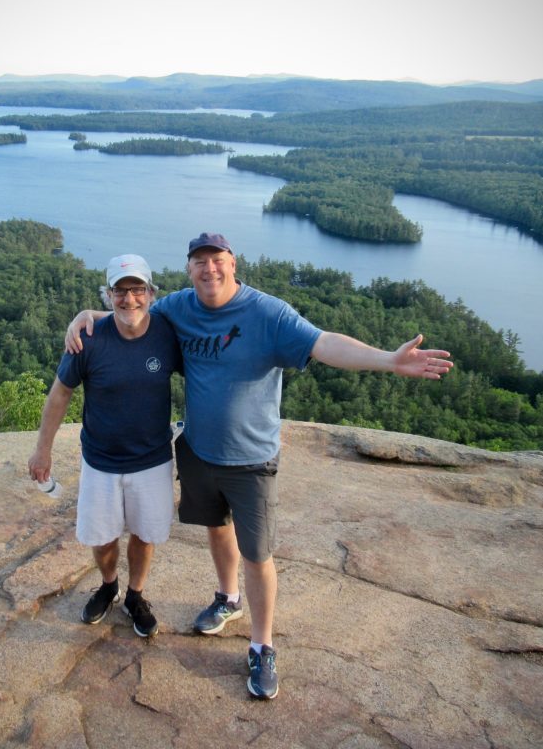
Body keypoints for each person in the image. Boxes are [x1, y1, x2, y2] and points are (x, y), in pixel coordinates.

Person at [66, 233, 453, 699]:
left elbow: (323, 343)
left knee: (258, 555)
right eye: (200, 262)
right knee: (216, 529)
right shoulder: (179, 307)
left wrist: (388, 361)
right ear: (189, 271)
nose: (209, 269)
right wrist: (89, 316)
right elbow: (131, 312)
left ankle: (262, 645)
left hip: (252, 460)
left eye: (218, 261)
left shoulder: (267, 312)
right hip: (198, 452)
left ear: (233, 263)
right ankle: (227, 599)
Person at [30, 254, 182, 638]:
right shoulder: (89, 339)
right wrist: (42, 450)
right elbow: (60, 393)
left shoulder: (167, 333)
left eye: (137, 290)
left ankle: (135, 595)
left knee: (146, 535)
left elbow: (206, 369)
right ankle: (109, 584)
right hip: (100, 461)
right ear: (108, 294)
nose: (129, 299)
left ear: (150, 293)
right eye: (119, 290)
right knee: (102, 536)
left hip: (152, 460)